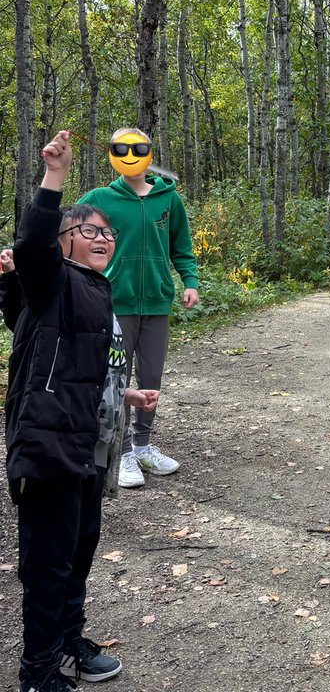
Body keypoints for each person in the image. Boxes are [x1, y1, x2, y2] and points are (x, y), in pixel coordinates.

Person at [6, 130, 159, 692]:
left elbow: (78, 368)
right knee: (47, 559)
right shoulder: (49, 283)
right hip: (47, 442)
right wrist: (53, 179)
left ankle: (68, 642)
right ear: (65, 241)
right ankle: (37, 675)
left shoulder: (94, 289)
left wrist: (126, 392)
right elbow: (31, 243)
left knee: (78, 548)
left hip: (89, 447)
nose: (104, 238)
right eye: (91, 231)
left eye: (108, 232)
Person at [79, 128, 199, 489]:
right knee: (118, 377)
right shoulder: (101, 198)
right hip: (115, 302)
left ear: (148, 153)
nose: (131, 154)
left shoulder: (168, 199)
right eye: (122, 148)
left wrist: (189, 281)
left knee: (151, 379)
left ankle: (144, 445)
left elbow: (182, 246)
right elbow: (72, 235)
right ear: (113, 153)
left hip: (158, 303)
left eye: (138, 148)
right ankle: (125, 452)